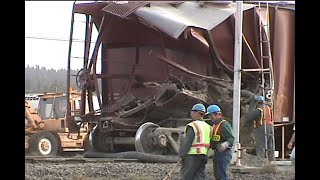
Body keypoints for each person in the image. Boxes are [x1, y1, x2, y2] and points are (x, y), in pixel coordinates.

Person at [178, 103, 212, 180]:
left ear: (197, 113)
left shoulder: (192, 125)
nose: (191, 113)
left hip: (192, 155)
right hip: (203, 155)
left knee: (186, 176)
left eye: (192, 111)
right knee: (199, 176)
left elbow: (187, 141)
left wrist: (181, 154)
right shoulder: (208, 127)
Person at [207, 104, 234, 180]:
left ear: (217, 114)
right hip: (217, 153)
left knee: (222, 175)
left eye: (211, 115)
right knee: (218, 175)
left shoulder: (224, 125)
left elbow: (231, 139)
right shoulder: (215, 125)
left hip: (224, 154)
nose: (210, 118)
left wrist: (224, 145)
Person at [246, 95, 274, 162]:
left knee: (260, 144)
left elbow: (249, 117)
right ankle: (271, 161)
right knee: (270, 144)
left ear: (257, 103)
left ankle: (261, 160)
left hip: (262, 127)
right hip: (270, 127)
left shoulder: (259, 110)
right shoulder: (268, 108)